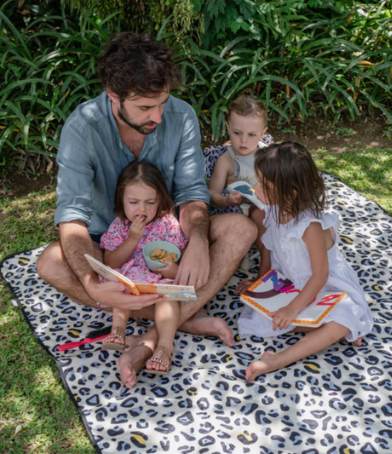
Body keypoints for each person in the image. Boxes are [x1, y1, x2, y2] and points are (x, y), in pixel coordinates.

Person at [36, 33, 257, 387]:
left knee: (242, 230)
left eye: (162, 103)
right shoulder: (82, 127)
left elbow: (190, 193)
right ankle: (178, 319)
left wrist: (198, 241)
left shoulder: (181, 116)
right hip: (111, 246)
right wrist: (93, 283)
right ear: (113, 95)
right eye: (144, 108)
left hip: (170, 235)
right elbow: (72, 215)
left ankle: (148, 338)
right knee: (50, 261)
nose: (156, 115)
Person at [235, 142, 374, 382]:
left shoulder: (310, 226)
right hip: (292, 286)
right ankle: (332, 332)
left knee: (346, 315)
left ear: (291, 192)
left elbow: (320, 275)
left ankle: (279, 358)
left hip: (326, 288)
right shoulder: (273, 210)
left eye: (264, 186)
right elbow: (268, 249)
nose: (256, 188)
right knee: (262, 316)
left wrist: (293, 308)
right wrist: (260, 283)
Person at [100, 161, 187, 374]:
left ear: (160, 200)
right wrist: (132, 239)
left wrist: (170, 270)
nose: (142, 210)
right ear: (122, 200)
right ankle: (118, 329)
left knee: (168, 298)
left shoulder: (168, 223)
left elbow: (179, 267)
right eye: (134, 202)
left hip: (158, 281)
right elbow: (111, 263)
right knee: (119, 283)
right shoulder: (120, 225)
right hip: (131, 279)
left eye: (150, 202)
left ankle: (165, 347)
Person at [208, 95, 267, 274]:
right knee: (259, 217)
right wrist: (227, 201)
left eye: (251, 135)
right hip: (238, 210)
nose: (243, 141)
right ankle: (266, 261)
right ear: (228, 128)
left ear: (262, 133)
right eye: (237, 133)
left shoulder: (266, 155)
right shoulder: (226, 161)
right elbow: (211, 195)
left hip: (265, 204)